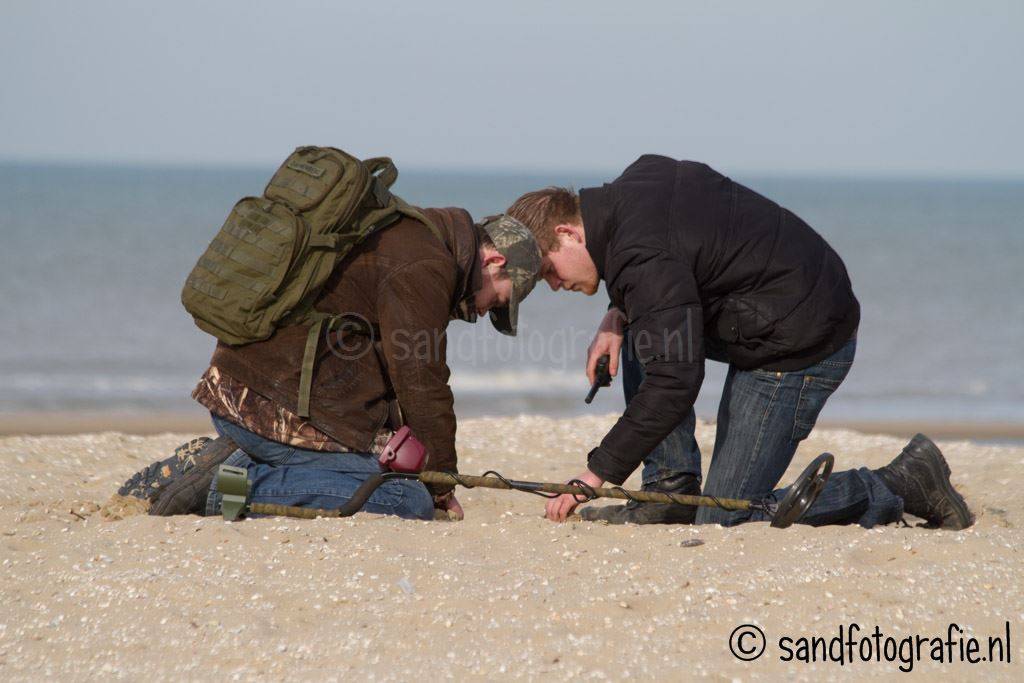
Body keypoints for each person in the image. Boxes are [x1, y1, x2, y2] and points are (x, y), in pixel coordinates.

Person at [507, 155, 973, 529]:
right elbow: (669, 264)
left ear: (567, 232)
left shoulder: (640, 257)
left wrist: (593, 476)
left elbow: (675, 380)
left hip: (800, 342)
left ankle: (901, 482)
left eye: (548, 271)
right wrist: (619, 311)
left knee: (726, 516)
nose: (551, 285)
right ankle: (670, 492)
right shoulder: (632, 188)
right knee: (643, 327)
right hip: (773, 310)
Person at [117, 210, 542, 521]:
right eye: (500, 300)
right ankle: (223, 486)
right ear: (493, 262)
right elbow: (421, 380)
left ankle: (217, 456)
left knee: (390, 474)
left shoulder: (411, 234)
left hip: (243, 393)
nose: (486, 313)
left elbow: (394, 366)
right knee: (403, 499)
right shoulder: (425, 265)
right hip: (266, 409)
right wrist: (439, 481)